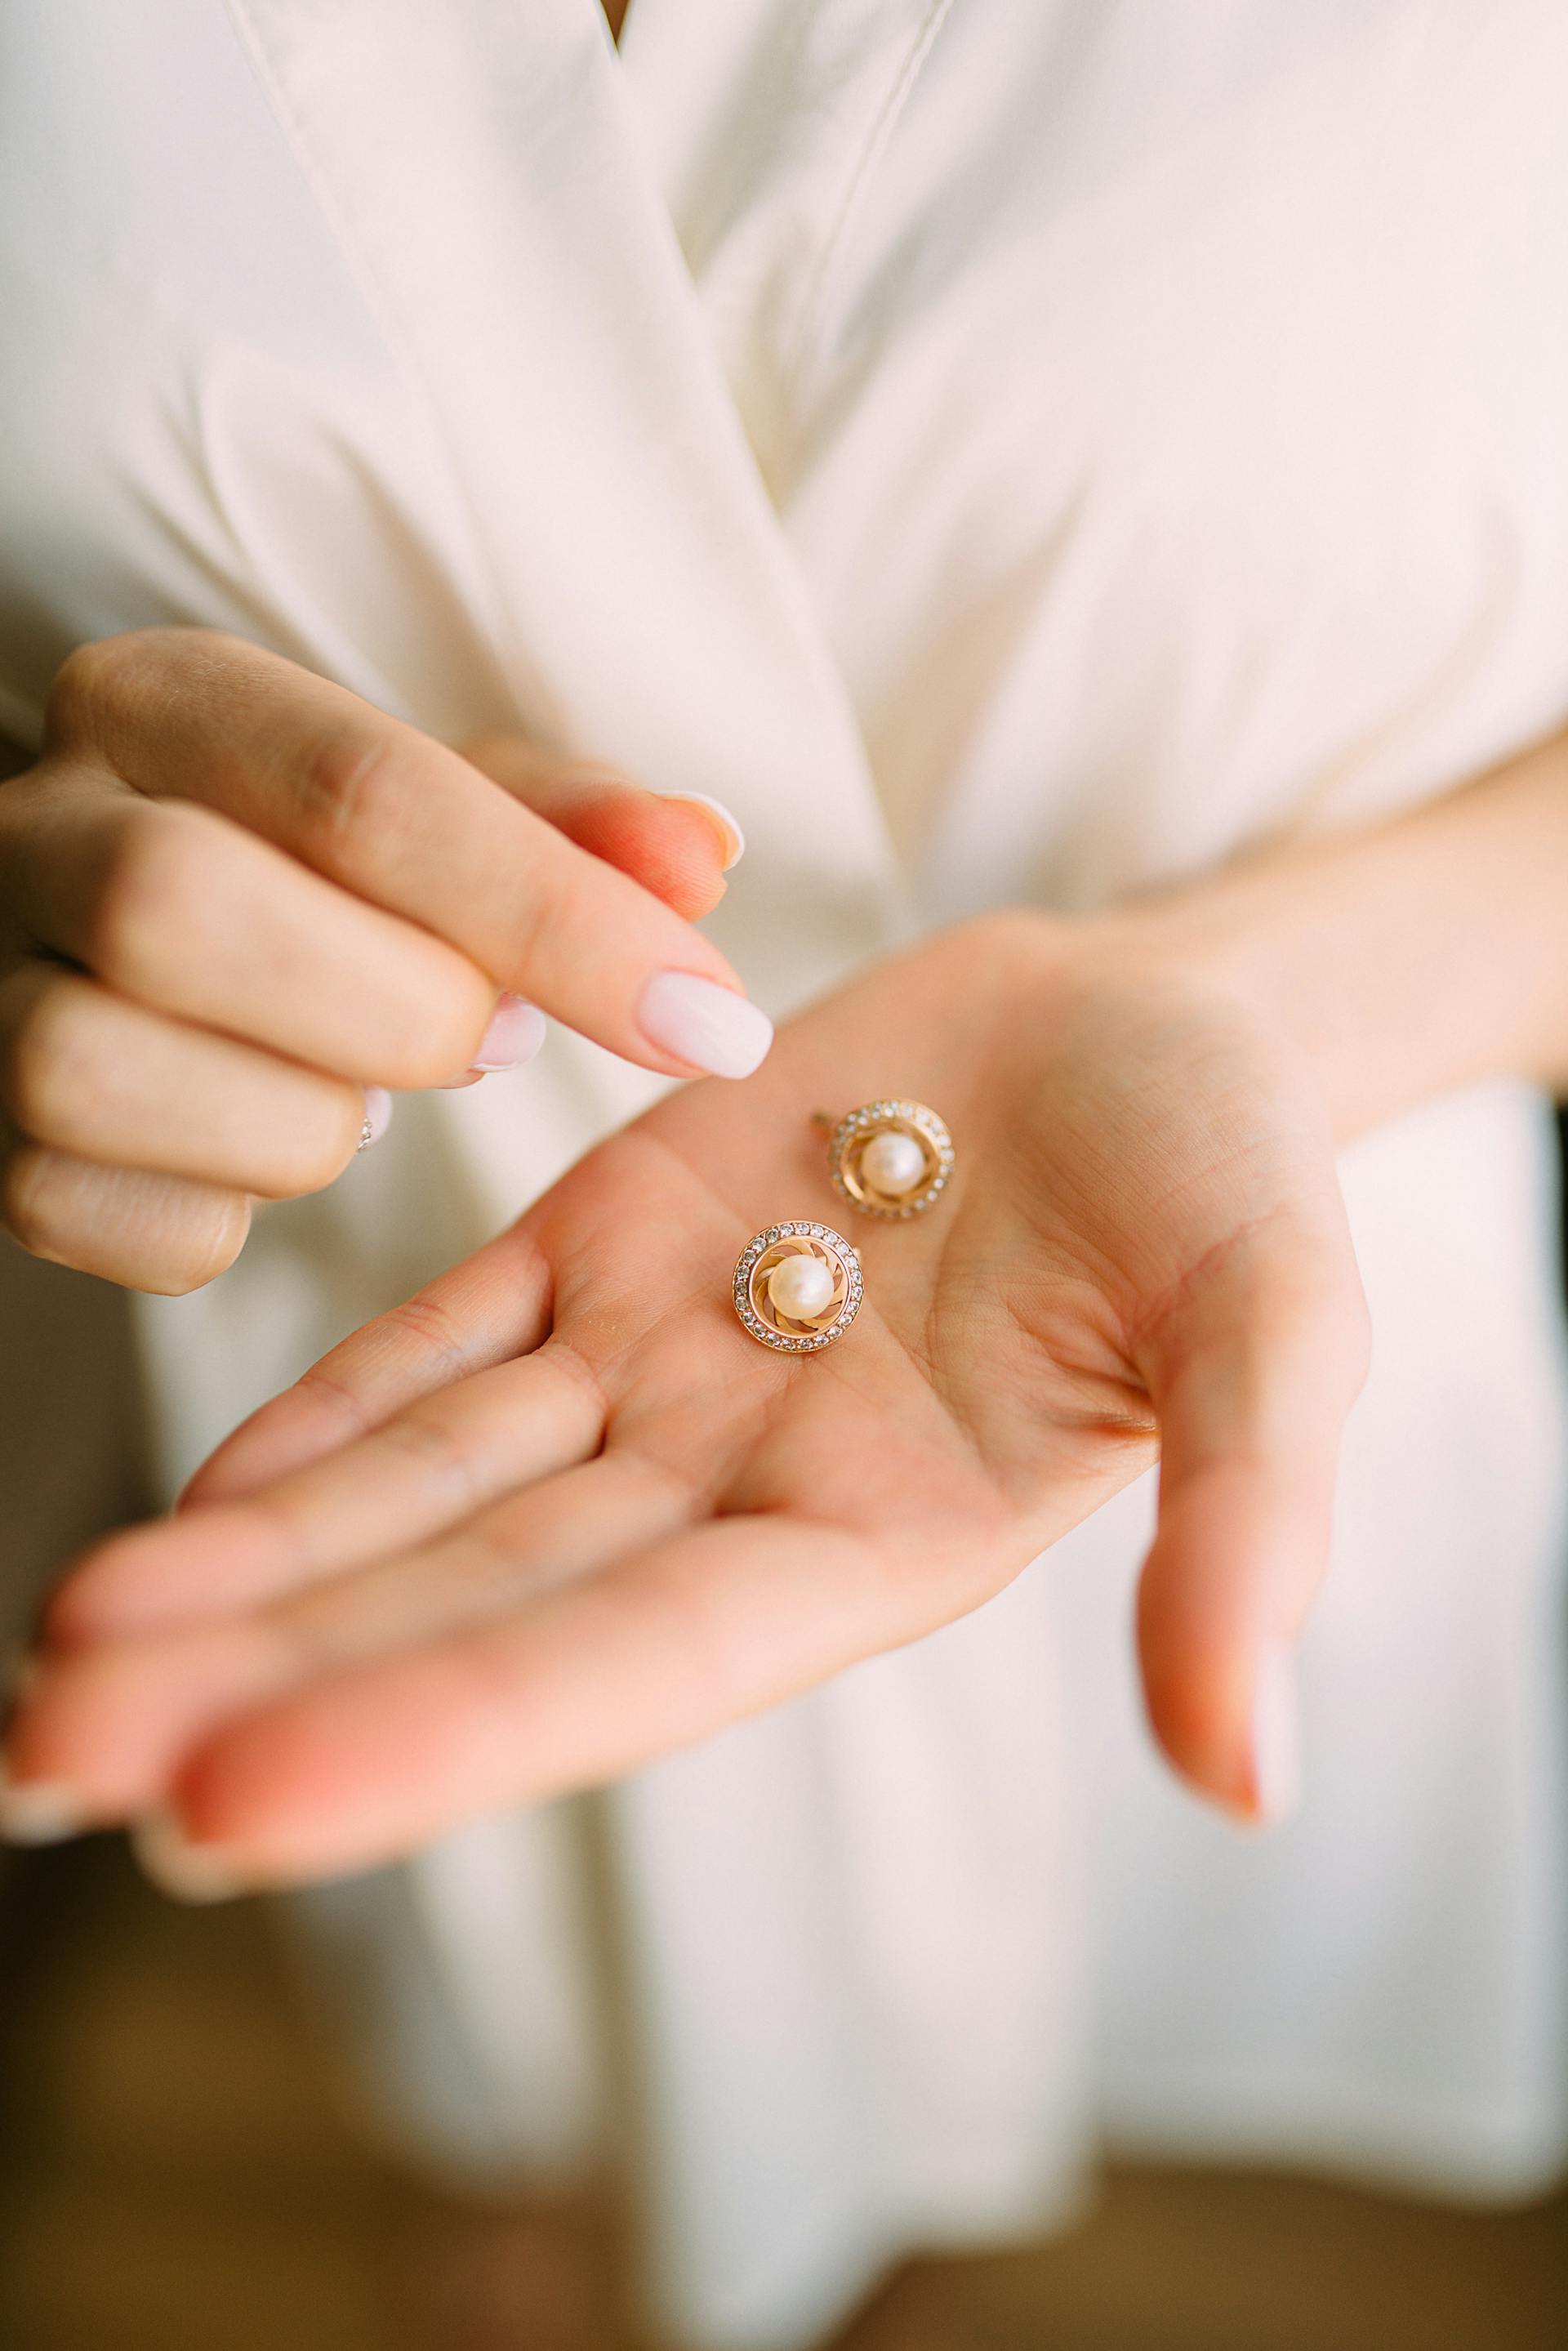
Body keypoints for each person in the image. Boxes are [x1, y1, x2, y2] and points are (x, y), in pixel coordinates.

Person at [2, 5, 1567, 2344]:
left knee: (1109, 1971)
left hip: (1253, 1272)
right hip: (453, 1390)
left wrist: (1282, 997)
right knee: (581, 2058)